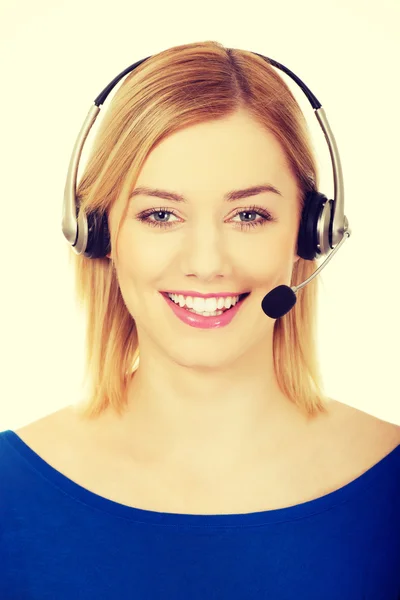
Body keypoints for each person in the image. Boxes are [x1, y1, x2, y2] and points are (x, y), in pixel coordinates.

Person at [1, 40, 399, 598]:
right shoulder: (8, 491)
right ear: (98, 233)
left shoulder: (389, 482)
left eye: (249, 214)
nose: (208, 264)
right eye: (160, 214)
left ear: (312, 233)